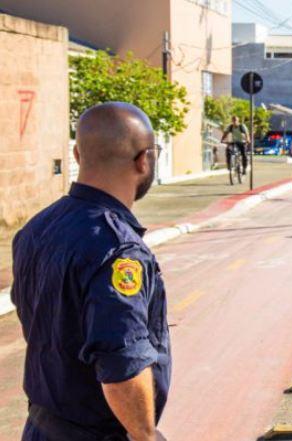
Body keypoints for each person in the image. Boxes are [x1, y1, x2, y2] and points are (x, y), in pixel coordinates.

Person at [12, 102, 170, 441]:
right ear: (143, 161)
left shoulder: (37, 228)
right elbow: (121, 362)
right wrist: (144, 434)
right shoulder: (118, 250)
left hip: (40, 427)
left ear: (78, 155)